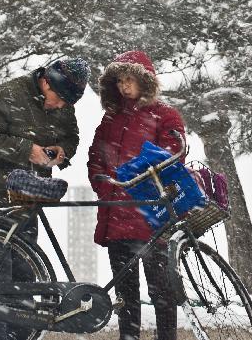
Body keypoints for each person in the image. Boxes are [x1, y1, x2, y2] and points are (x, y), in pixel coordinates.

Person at [0, 58, 89, 340]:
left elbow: (72, 137)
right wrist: (25, 150)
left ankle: (19, 337)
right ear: (46, 82)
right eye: (59, 99)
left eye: (69, 103)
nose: (61, 107)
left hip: (26, 195)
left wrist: (61, 150)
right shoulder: (9, 95)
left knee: (24, 275)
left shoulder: (64, 101)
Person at [87, 50, 186, 340]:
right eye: (119, 81)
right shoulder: (111, 118)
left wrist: (136, 181)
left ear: (145, 81)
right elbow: (96, 156)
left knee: (161, 292)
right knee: (125, 296)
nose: (124, 86)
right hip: (117, 216)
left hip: (150, 215)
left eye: (129, 80)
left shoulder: (165, 114)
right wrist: (104, 185)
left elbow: (173, 155)